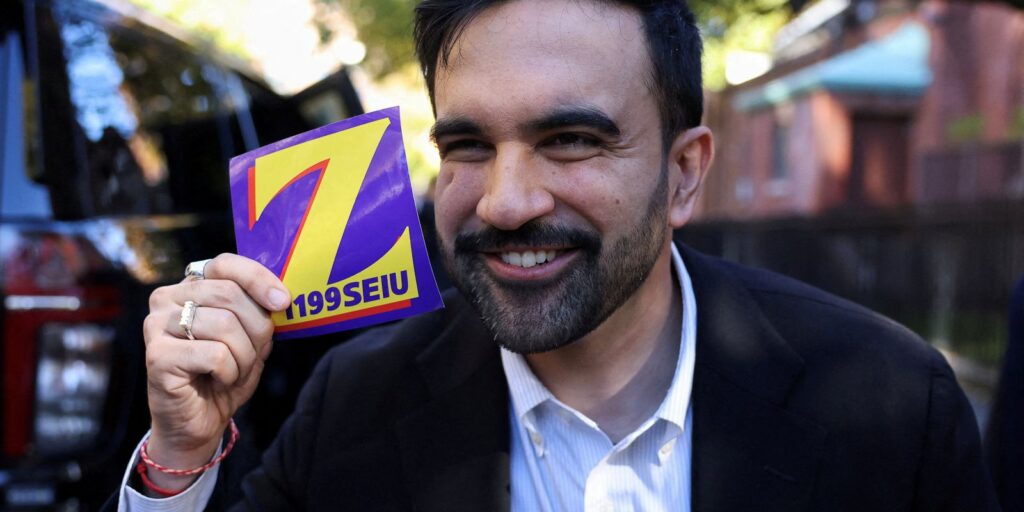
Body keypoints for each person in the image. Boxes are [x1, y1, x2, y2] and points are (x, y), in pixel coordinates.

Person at [112, 0, 999, 510]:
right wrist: (181, 454)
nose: (505, 202)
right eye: (467, 145)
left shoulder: (893, 407)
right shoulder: (353, 402)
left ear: (684, 174)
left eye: (571, 140)